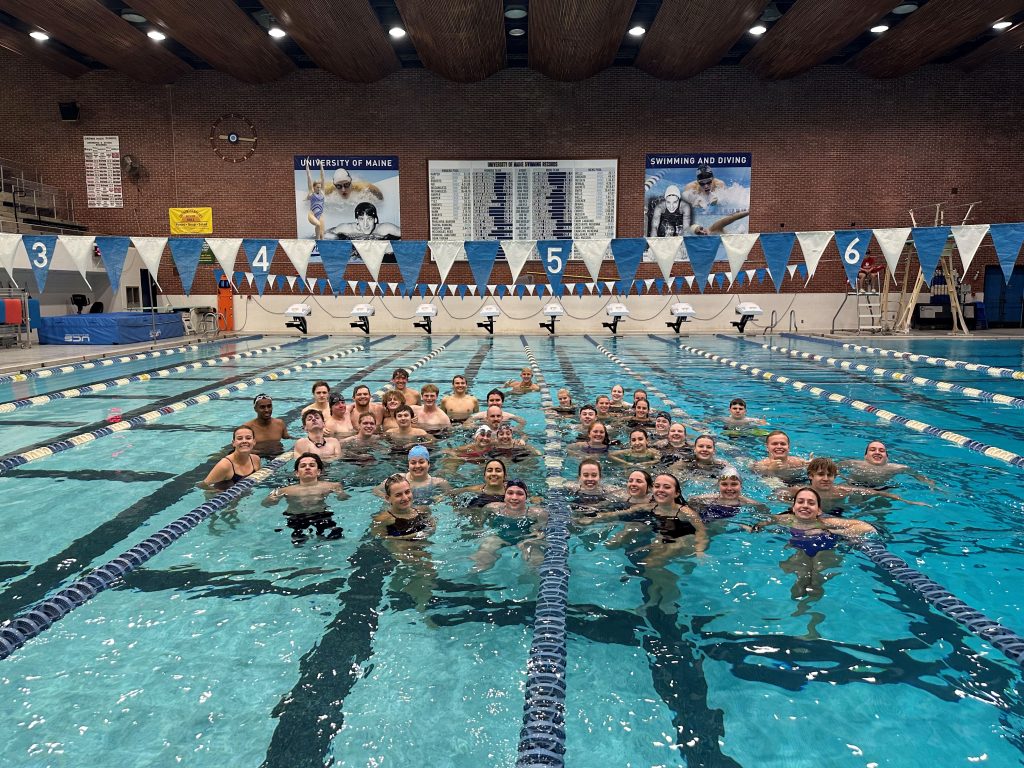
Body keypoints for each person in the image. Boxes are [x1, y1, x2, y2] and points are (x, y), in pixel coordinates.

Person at [750, 487, 875, 603]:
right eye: (800, 502)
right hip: (800, 552)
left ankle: (813, 616)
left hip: (825, 551)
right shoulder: (786, 519)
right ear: (793, 507)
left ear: (818, 510)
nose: (805, 506)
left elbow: (867, 528)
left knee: (816, 583)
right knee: (799, 586)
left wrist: (832, 531)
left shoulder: (825, 522)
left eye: (811, 503)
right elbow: (760, 524)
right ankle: (797, 613)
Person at [606, 473, 707, 564]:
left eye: (666, 487)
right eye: (657, 486)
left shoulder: (686, 512)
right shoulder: (649, 506)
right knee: (613, 543)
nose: (660, 490)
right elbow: (619, 513)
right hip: (662, 532)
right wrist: (595, 518)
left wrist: (699, 550)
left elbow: (701, 531)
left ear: (676, 493)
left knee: (650, 563)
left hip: (680, 537)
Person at [778, 457, 929, 513]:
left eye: (830, 475)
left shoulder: (842, 491)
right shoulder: (800, 491)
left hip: (835, 514)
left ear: (835, 477)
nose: (825, 478)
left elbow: (877, 493)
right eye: (820, 474)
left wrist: (908, 501)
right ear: (810, 476)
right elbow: (779, 493)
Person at [264, 452, 346, 544]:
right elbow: (265, 504)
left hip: (322, 516)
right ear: (297, 473)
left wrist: (341, 494)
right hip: (296, 518)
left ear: (318, 472)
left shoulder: (332, 486)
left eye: (312, 465)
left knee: (336, 538)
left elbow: (344, 498)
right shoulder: (285, 490)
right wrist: (271, 500)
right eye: (303, 466)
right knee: (298, 544)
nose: (307, 468)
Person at [474, 479, 547, 572]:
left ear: (526, 496)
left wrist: (533, 538)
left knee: (535, 560)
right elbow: (480, 525)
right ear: (505, 495)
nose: (514, 497)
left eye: (520, 494)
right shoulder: (491, 508)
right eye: (510, 493)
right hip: (500, 538)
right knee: (484, 551)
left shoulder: (538, 513)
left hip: (526, 540)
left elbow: (542, 534)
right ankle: (473, 577)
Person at [838, 440, 935, 489]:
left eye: (882, 451)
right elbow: (833, 470)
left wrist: (932, 485)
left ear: (887, 458)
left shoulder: (898, 468)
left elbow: (918, 476)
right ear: (865, 456)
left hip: (882, 490)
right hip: (855, 487)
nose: (877, 452)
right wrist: (845, 479)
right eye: (872, 450)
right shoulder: (852, 463)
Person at [374, 446, 452, 502]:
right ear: (408, 465)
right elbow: (376, 490)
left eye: (421, 462)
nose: (417, 466)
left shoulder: (439, 483)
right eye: (413, 462)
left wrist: (441, 498)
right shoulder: (398, 478)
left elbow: (450, 497)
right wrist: (390, 500)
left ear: (428, 464)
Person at [688, 469, 768, 522]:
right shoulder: (707, 499)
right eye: (724, 484)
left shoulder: (748, 503)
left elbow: (764, 511)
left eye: (734, 484)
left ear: (741, 486)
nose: (729, 488)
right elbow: (691, 501)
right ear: (718, 486)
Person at [324, 202, 400, 240]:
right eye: (361, 219)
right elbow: (325, 234)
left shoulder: (384, 229)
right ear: (356, 220)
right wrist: (336, 237)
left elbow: (408, 234)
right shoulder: (348, 228)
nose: (365, 224)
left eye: (369, 219)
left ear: (375, 220)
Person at [305, 158, 326, 240]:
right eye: (317, 187)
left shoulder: (322, 192)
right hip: (312, 214)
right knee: (318, 224)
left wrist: (321, 165)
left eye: (320, 187)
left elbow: (323, 177)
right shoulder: (311, 192)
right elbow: (309, 177)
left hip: (320, 215)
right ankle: (316, 240)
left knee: (322, 236)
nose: (319, 189)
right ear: (314, 187)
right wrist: (307, 165)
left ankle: (321, 246)